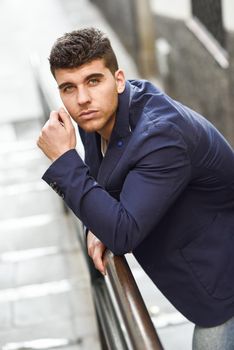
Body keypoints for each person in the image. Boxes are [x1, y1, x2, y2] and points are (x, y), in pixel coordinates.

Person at [37, 27, 234, 349]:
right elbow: (102, 185)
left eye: (93, 81)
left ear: (118, 79)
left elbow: (122, 233)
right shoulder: (97, 116)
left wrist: (63, 158)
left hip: (224, 280)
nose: (82, 99)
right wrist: (94, 225)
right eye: (68, 88)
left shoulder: (162, 137)